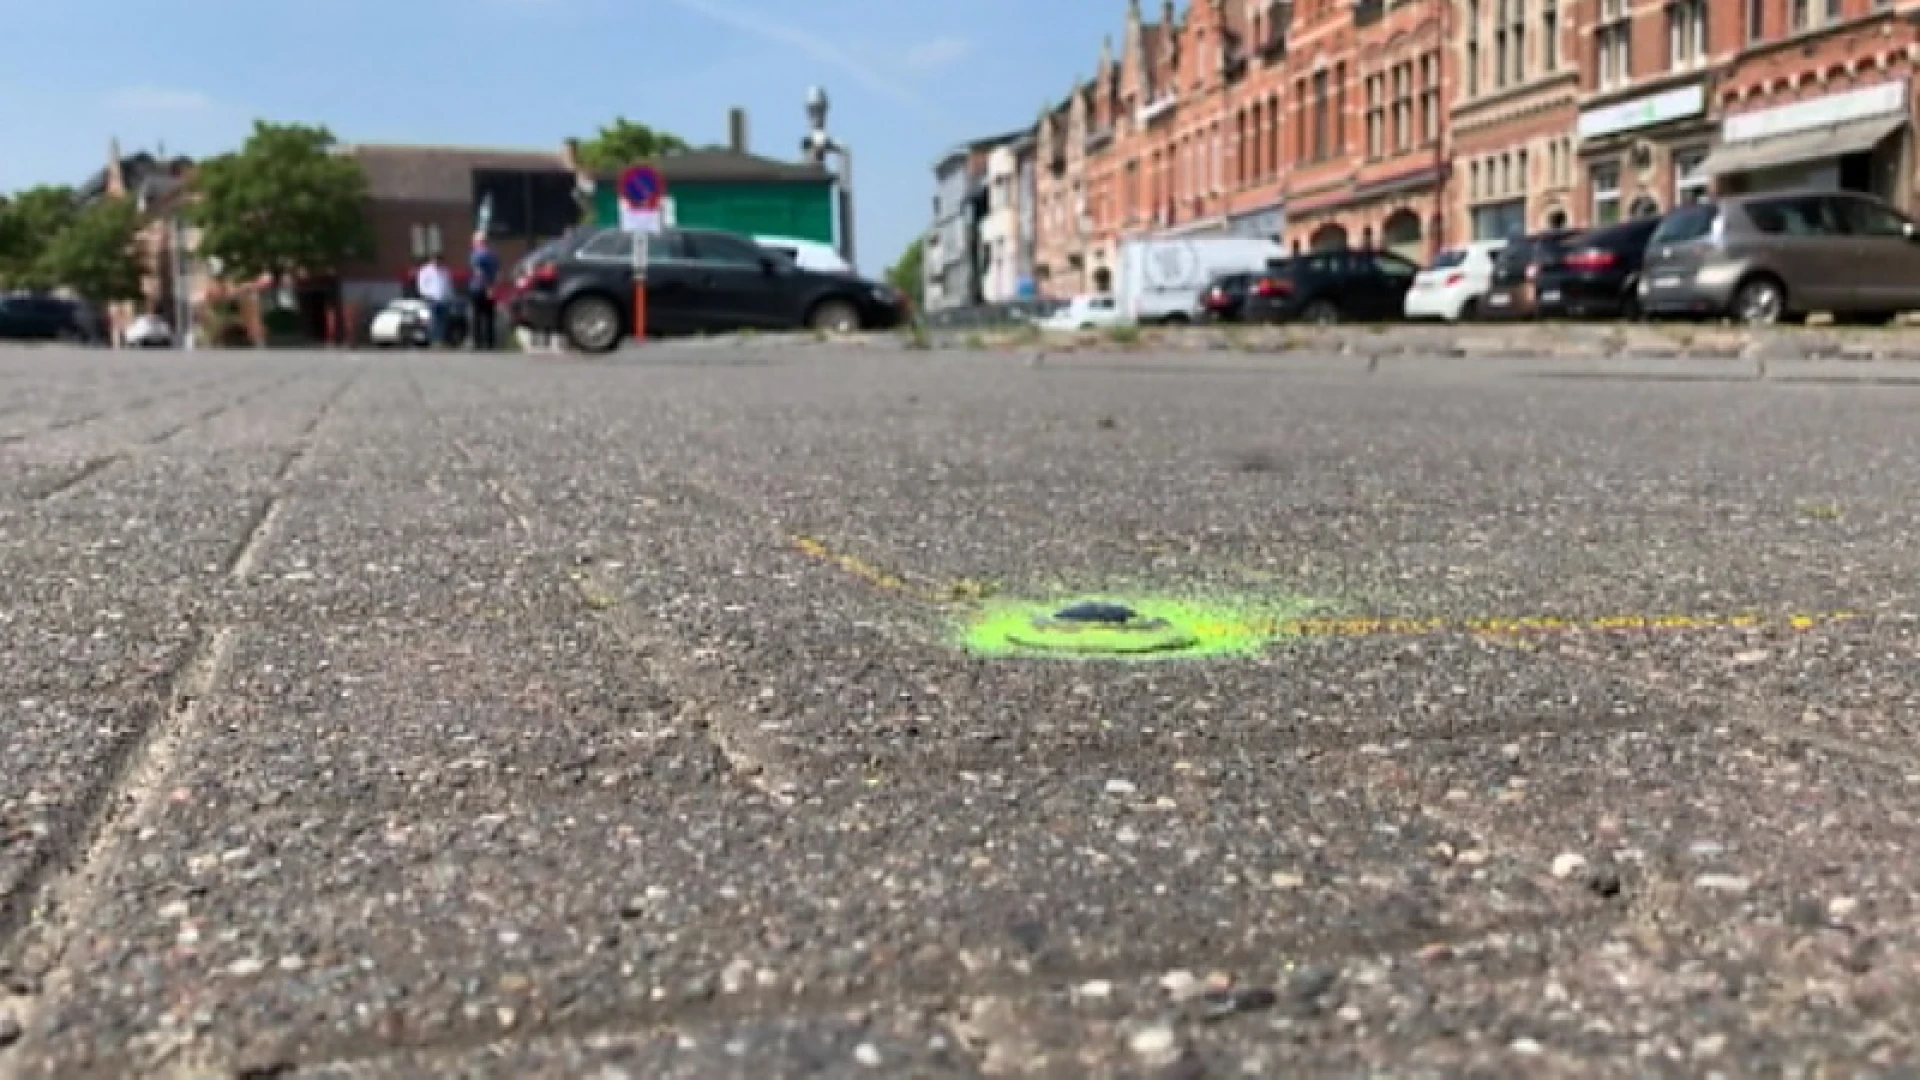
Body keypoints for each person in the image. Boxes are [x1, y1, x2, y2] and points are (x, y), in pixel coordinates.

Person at [468, 232, 499, 351]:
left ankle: (477, 342)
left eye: (474, 241)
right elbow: (497, 274)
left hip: (478, 288)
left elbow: (478, 272)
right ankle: (490, 342)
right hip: (491, 288)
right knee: (489, 316)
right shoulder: (493, 255)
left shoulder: (476, 255)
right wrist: (492, 287)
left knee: (476, 316)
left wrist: (486, 286)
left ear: (478, 242)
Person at [414, 253, 450, 347]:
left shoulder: (444, 270)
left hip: (442, 299)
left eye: (439, 260)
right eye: (435, 260)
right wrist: (426, 295)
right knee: (433, 320)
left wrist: (449, 296)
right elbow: (421, 285)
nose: (437, 262)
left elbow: (447, 284)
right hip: (431, 299)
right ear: (432, 260)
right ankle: (432, 340)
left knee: (442, 321)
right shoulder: (425, 270)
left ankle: (440, 340)